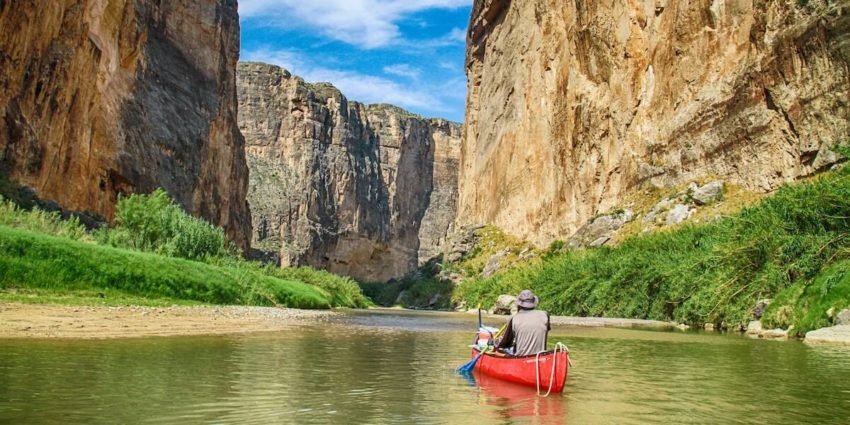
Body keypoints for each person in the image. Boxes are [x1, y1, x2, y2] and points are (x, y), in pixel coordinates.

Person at [496, 289, 551, 356]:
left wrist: (494, 342)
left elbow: (504, 343)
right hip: (540, 358)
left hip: (521, 360)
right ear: (533, 304)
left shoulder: (514, 319)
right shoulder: (545, 315)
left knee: (498, 352)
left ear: (519, 305)